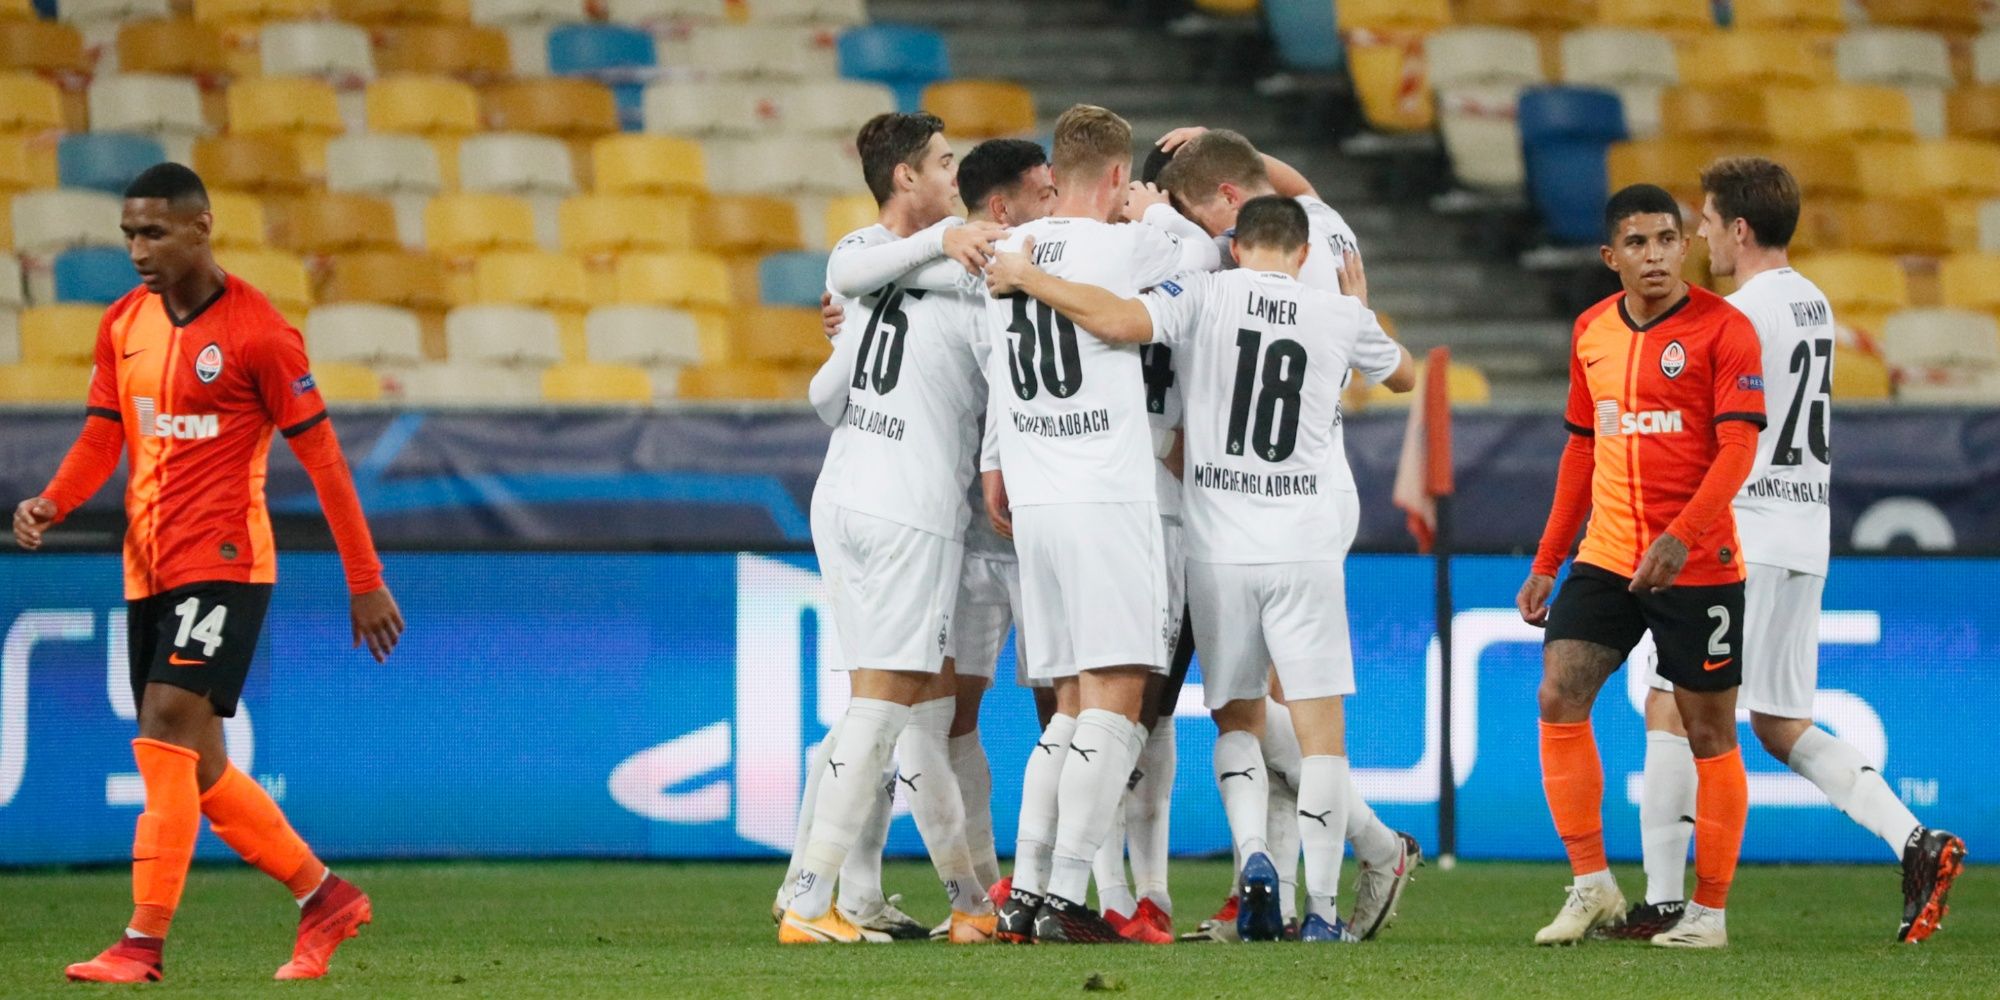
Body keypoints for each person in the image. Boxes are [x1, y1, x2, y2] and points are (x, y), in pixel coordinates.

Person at [13, 162, 403, 984]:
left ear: (201, 227)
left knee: (162, 723)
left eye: (152, 232)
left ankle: (142, 942)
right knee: (206, 767)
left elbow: (327, 462)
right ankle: (324, 897)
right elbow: (102, 438)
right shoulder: (122, 323)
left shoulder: (260, 333)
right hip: (147, 567)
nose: (137, 250)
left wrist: (363, 580)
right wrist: (53, 499)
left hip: (225, 562)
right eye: (128, 234)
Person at [987, 194, 1415, 943]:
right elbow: (1407, 376)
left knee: (1228, 719)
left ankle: (1234, 859)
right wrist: (1360, 308)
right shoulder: (1336, 314)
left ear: (1237, 244)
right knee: (1319, 736)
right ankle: (1315, 910)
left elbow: (1121, 320)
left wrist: (1027, 273)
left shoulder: (1204, 291)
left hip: (1210, 544)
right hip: (1306, 543)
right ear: (1303, 251)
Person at [1615, 157, 1967, 944]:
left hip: (1739, 534)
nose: (1700, 235)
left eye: (1706, 222)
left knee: (1669, 701)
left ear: (1738, 228)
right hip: (1806, 530)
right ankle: (1913, 839)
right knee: (1779, 720)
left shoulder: (1736, 316)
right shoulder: (1813, 303)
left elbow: (1710, 434)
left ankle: (1668, 903)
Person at [1142, 126, 1421, 941]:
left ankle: (1313, 860)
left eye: (1200, 215)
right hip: (1317, 488)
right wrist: (1237, 144)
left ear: (1232, 212)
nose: (1199, 232)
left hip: (1244, 501)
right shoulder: (1325, 229)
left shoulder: (1210, 277)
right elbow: (1402, 370)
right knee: (1284, 702)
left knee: (1249, 706)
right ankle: (1299, 886)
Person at [982, 103, 1220, 944]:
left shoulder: (1008, 254)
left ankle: (1032, 889)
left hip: (1038, 501)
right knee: (1120, 700)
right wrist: (1154, 206)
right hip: (1107, 496)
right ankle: (1068, 897)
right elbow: (1208, 248)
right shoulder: (1133, 245)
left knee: (1071, 711)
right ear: (1117, 177)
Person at [1517, 184, 1766, 949]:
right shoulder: (1592, 330)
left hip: (1700, 562)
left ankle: (1710, 912)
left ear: (1685, 244)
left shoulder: (1726, 330)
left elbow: (1738, 448)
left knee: (1708, 729)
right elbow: (1581, 450)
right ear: (1610, 256)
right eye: (1637, 243)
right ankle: (1593, 884)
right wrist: (1547, 561)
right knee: (1560, 692)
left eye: (1666, 239)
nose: (1654, 256)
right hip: (1609, 553)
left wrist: (1683, 537)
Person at [779, 111, 998, 945]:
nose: (954, 175)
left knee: (897, 710)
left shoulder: (858, 267)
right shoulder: (932, 264)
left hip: (845, 495)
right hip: (907, 507)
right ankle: (808, 898)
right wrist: (950, 246)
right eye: (944, 163)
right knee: (883, 708)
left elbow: (825, 400)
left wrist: (873, 307)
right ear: (906, 177)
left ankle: (944, 902)